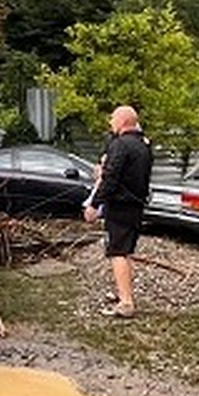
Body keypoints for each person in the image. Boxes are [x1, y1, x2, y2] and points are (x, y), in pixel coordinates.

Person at [83, 105, 152, 318]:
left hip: (120, 207)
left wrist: (94, 204)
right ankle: (124, 293)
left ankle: (126, 303)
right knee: (125, 252)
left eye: (112, 118)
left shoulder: (121, 145)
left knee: (117, 253)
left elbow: (111, 179)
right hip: (136, 206)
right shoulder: (144, 145)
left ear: (123, 121)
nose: (110, 122)